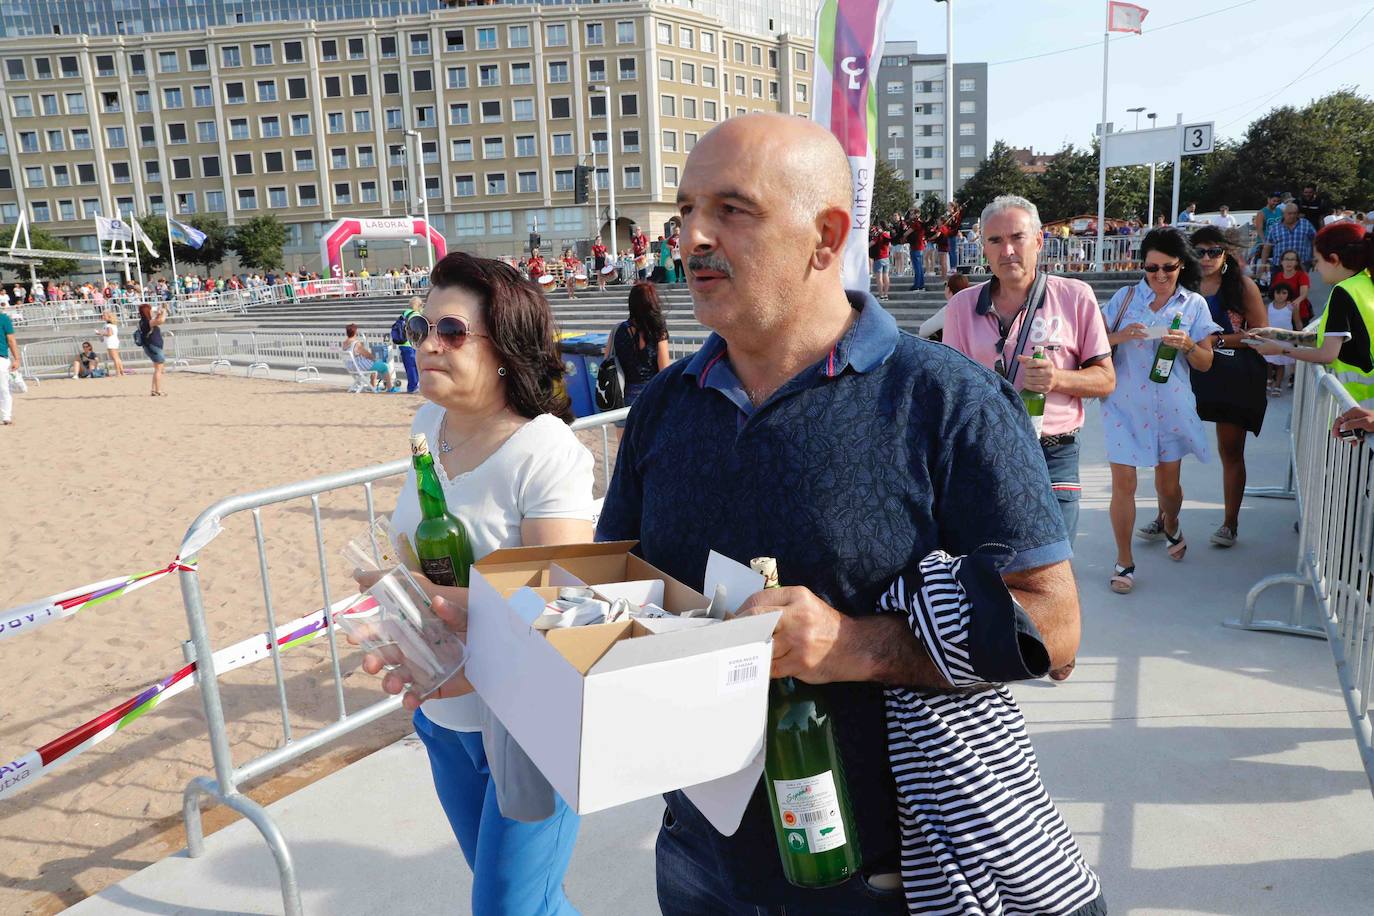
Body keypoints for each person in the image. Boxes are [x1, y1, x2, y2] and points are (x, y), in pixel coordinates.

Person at [598, 112, 1104, 916]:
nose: (691, 237)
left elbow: (1057, 627)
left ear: (825, 236)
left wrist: (856, 646)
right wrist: (485, 641)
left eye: (731, 210)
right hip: (698, 852)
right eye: (686, 212)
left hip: (880, 873)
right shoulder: (663, 406)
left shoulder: (948, 401)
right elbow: (618, 593)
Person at [355, 252, 595, 916]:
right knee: (523, 902)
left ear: (504, 349)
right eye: (418, 327)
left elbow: (563, 602)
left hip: (532, 721)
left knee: (507, 908)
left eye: (451, 331)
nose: (427, 344)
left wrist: (460, 623)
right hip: (445, 714)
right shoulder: (426, 429)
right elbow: (426, 558)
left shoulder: (545, 449)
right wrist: (393, 592)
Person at [943, 195, 1116, 546]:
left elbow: (1106, 379)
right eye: (995, 240)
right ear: (984, 249)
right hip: (986, 453)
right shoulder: (962, 306)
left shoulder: (1075, 296)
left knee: (1051, 568)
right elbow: (950, 388)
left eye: (1017, 237)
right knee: (992, 567)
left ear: (1038, 241)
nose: (1007, 250)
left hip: (1054, 453)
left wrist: (1058, 378)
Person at [1101, 228, 1218, 593]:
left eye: (1168, 268)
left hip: (1171, 407)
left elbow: (1205, 363)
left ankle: (1171, 521)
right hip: (1123, 406)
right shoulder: (1124, 299)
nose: (1160, 276)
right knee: (1124, 485)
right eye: (1152, 269)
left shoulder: (1193, 304)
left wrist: (1186, 345)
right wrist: (1121, 336)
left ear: (1181, 265)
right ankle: (1124, 560)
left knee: (1168, 487)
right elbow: (1092, 343)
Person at [1184, 226, 1270, 549]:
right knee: (1170, 445)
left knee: (1231, 450)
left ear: (1226, 255)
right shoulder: (1185, 285)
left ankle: (1230, 523)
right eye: (1199, 252)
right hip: (1191, 369)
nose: (1206, 258)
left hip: (1233, 373)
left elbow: (1260, 332)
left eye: (1213, 251)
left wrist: (1217, 338)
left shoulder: (1242, 286)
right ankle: (1167, 517)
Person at [1248, 223, 1374, 406]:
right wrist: (1276, 333)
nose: (1317, 268)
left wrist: (1280, 349)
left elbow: (1327, 354)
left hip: (1355, 405)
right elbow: (1328, 339)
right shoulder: (1365, 283)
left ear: (1334, 259)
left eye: (1317, 261)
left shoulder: (1343, 292)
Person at [603, 281, 670, 408]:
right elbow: (664, 371)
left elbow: (607, 360)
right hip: (652, 395)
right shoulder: (658, 331)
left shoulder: (618, 330)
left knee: (625, 428)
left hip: (623, 395)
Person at [1261, 203, 1317, 272]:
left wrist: (1315, 257)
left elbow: (1316, 241)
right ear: (1283, 214)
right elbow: (1267, 247)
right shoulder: (1274, 228)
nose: (1292, 216)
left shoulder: (1306, 224)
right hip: (1280, 266)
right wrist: (1263, 265)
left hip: (1302, 265)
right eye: (1289, 213)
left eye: (1295, 213)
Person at [1263, 283, 1296, 395]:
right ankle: (1269, 381)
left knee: (1281, 363)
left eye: (1284, 293)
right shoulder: (1268, 307)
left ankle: (1278, 385)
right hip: (1271, 338)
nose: (1281, 295)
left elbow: (1298, 322)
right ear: (1273, 293)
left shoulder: (1291, 307)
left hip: (1285, 339)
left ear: (1288, 294)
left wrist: (1300, 337)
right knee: (1269, 362)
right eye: (1278, 292)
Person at [1273, 249, 1312, 326]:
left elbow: (1304, 294)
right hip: (1283, 313)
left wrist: (1295, 303)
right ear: (1281, 262)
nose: (1289, 262)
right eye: (1286, 259)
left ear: (1296, 263)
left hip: (1301, 312)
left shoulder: (1302, 275)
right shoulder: (1278, 276)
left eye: (1292, 259)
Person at [137, 303, 168, 397]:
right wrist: (164, 311)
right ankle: (158, 390)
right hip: (154, 346)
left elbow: (156, 319)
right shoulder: (147, 322)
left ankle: (154, 390)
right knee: (159, 370)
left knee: (157, 369)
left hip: (150, 346)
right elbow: (161, 321)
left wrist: (159, 313)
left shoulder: (143, 322)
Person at [0, 304, 18, 425]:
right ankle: (6, 416)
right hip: (1, 358)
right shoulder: (4, 318)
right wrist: (17, 358)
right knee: (4, 389)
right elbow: (11, 340)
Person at [399, 297, 421, 393]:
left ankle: (412, 386)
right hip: (411, 344)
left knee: (409, 366)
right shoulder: (415, 315)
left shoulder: (404, 313)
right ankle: (413, 387)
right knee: (413, 366)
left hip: (403, 343)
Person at [904, 207, 927, 291]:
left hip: (916, 247)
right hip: (919, 246)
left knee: (917, 267)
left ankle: (917, 285)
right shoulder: (920, 222)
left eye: (913, 213)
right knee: (919, 267)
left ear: (917, 214)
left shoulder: (916, 223)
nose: (911, 215)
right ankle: (921, 285)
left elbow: (906, 233)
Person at [869, 221, 892, 300]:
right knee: (886, 276)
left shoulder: (879, 235)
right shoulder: (887, 234)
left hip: (879, 258)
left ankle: (881, 295)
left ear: (881, 226)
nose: (877, 226)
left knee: (879, 278)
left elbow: (871, 243)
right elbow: (889, 245)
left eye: (878, 225)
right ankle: (886, 295)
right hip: (886, 258)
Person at [99, 311, 127, 376]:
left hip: (111, 341)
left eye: (104, 316)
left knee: (115, 358)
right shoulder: (111, 324)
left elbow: (109, 333)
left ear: (108, 317)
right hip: (113, 341)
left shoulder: (108, 325)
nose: (103, 317)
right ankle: (121, 371)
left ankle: (118, 372)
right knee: (117, 357)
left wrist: (100, 333)